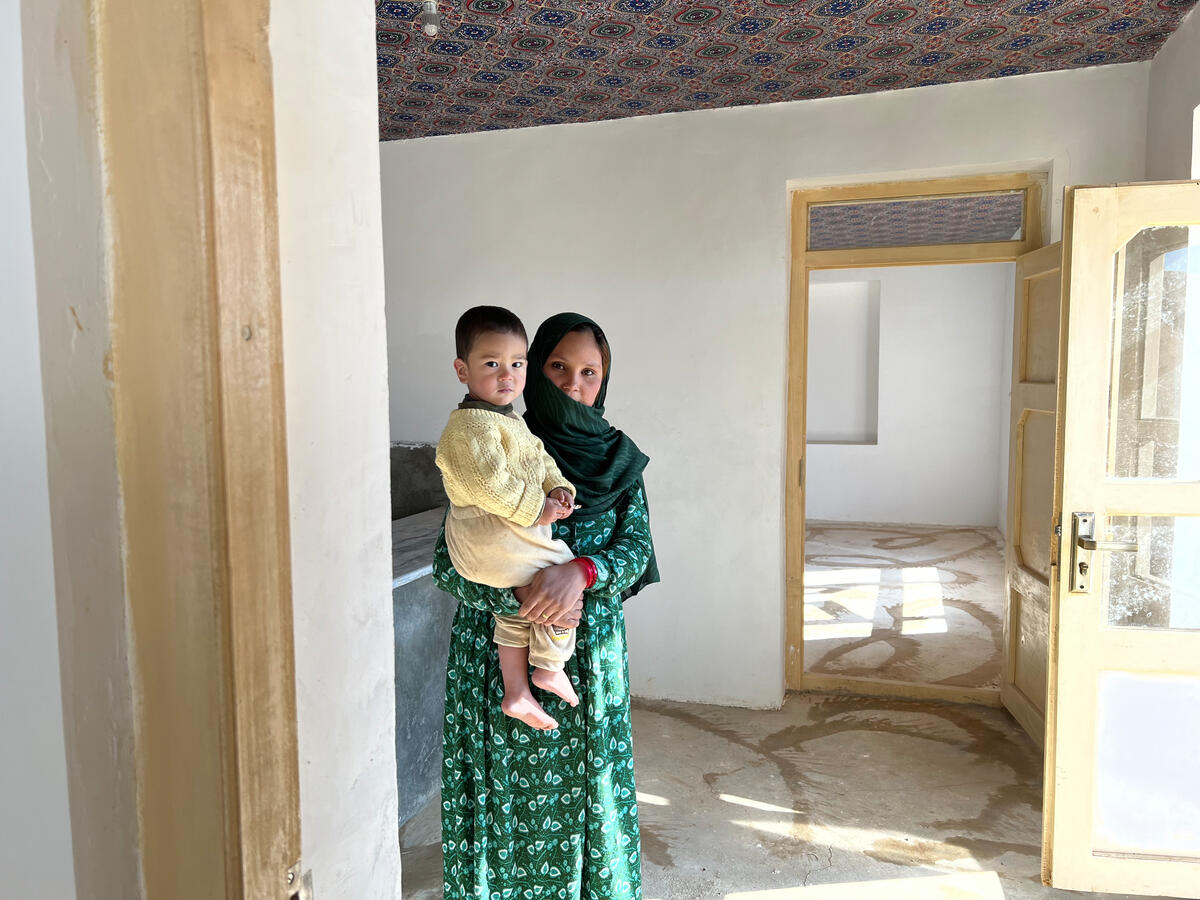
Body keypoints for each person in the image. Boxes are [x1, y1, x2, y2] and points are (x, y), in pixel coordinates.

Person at [434, 312, 659, 899]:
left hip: (587, 656)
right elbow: (448, 557)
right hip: (494, 657)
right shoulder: (495, 443)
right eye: (558, 366)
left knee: (593, 799)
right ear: (536, 370)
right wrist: (522, 592)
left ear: (603, 382)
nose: (572, 383)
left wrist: (579, 573)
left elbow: (635, 551)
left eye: (589, 372)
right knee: (501, 807)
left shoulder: (620, 465)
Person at [435, 305, 583, 731]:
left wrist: (558, 489)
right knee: (560, 573)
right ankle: (551, 666)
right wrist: (539, 510)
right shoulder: (469, 428)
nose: (507, 375)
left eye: (517, 363)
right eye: (492, 363)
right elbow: (490, 486)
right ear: (462, 370)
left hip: (499, 546)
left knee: (515, 609)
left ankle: (516, 690)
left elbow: (540, 460)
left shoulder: (509, 422)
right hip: (489, 540)